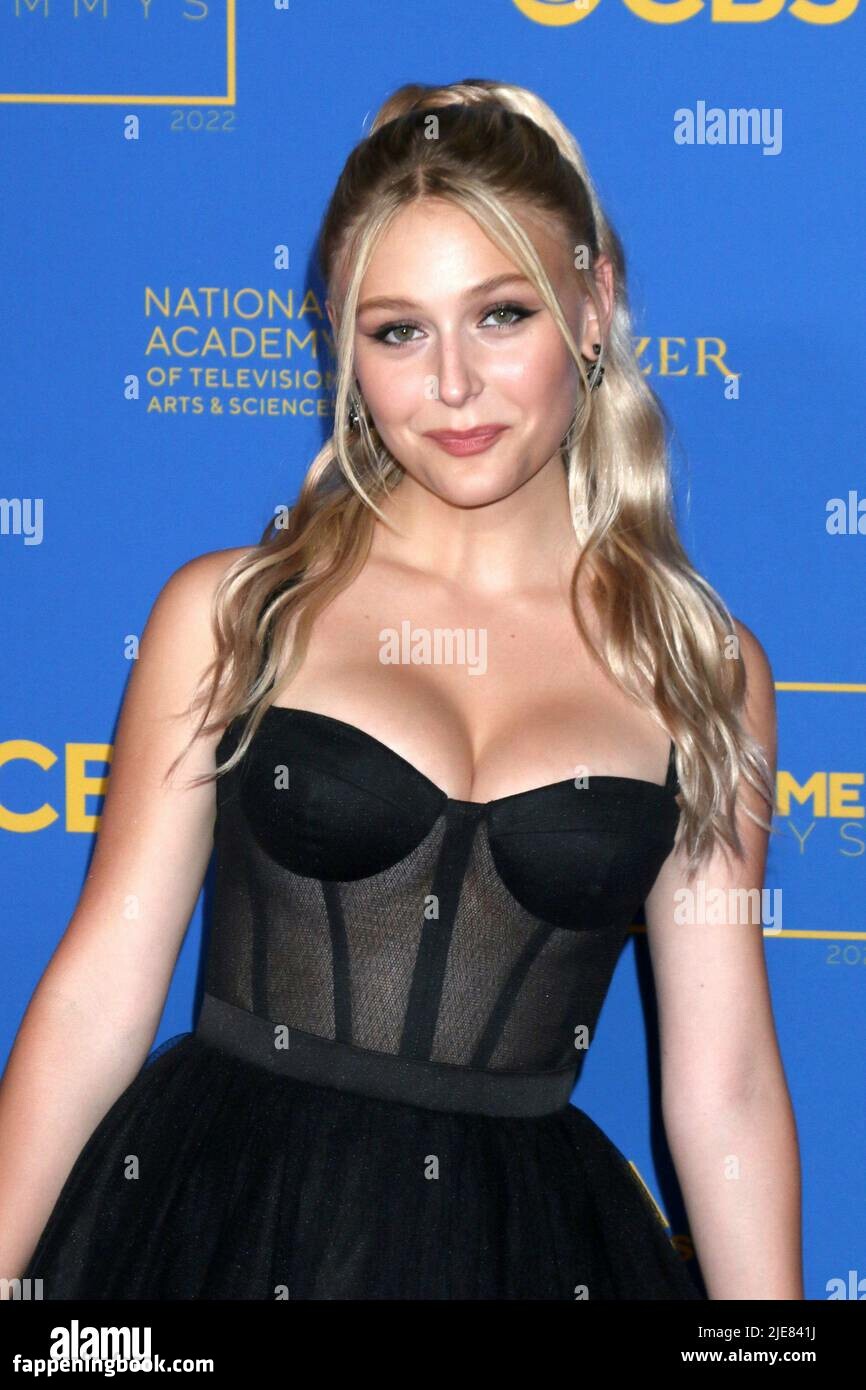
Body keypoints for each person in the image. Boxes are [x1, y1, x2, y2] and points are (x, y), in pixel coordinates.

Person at [0, 79, 803, 1301]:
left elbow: (725, 1080)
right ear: (342, 344)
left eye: (500, 315)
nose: (453, 385)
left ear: (592, 308)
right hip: (215, 1233)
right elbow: (101, 992)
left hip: (525, 1254)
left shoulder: (699, 668)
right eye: (397, 332)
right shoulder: (234, 615)